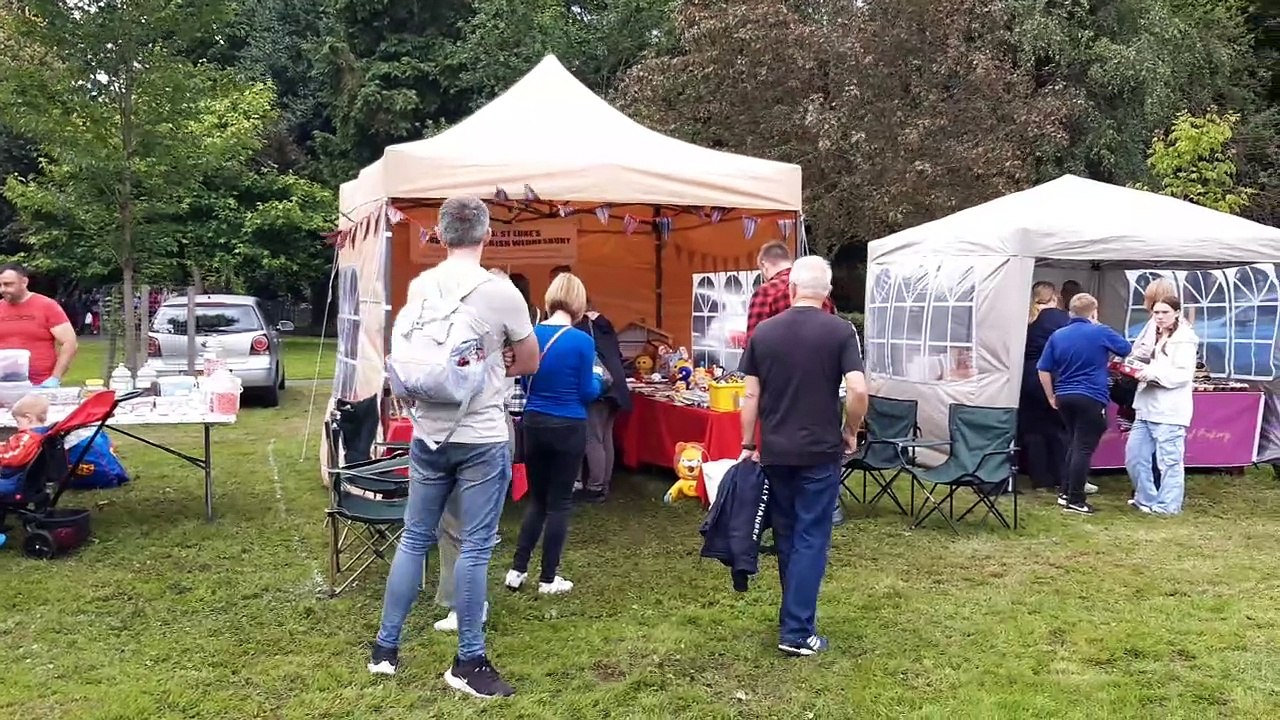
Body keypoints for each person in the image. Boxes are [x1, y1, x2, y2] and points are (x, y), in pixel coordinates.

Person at [367, 196, 539, 699]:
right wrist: (492, 364)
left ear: (439, 236)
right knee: (476, 546)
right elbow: (528, 360)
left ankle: (385, 649)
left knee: (414, 537)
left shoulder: (421, 286)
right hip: (481, 434)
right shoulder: (501, 291)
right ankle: (467, 660)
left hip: (426, 431)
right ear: (486, 235)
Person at [737, 256, 868, 656]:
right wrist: (851, 429)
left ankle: (794, 619)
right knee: (812, 537)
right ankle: (796, 631)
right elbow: (859, 391)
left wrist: (747, 445)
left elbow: (750, 395)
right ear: (827, 293)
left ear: (791, 289)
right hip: (819, 450)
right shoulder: (841, 331)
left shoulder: (764, 333)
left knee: (789, 536)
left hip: (775, 449)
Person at [504, 272, 605, 595]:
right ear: (578, 302)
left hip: (534, 422)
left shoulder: (530, 335)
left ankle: (517, 570)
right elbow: (586, 392)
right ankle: (548, 577)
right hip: (568, 424)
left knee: (537, 500)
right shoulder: (582, 342)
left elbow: (522, 379)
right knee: (559, 503)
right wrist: (601, 380)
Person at [745, 241, 843, 527]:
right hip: (820, 391)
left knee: (780, 463)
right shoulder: (820, 291)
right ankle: (828, 504)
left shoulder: (764, 293)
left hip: (778, 395)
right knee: (819, 455)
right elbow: (833, 338)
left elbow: (754, 353)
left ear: (764, 265)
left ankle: (774, 512)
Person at [1037, 293, 1132, 516]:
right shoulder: (1099, 331)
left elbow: (1043, 368)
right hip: (1091, 395)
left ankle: (1065, 492)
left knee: (1074, 443)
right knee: (1083, 447)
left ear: (1069, 311)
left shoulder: (1057, 335)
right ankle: (1077, 499)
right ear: (1094, 311)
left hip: (1064, 395)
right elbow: (1126, 349)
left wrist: (1051, 396)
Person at [1125, 296, 1197, 515]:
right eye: (1156, 313)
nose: (1159, 317)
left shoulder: (1185, 338)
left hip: (1169, 410)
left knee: (1169, 462)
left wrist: (1150, 374)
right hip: (1145, 407)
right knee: (1134, 457)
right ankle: (1146, 498)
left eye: (1164, 312)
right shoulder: (1156, 335)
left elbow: (1182, 374)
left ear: (1176, 312)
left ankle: (1168, 505)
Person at [573, 299, 629, 503]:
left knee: (593, 437)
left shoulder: (581, 327)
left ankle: (595, 487)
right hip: (616, 386)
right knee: (605, 437)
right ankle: (603, 484)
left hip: (600, 385)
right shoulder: (605, 323)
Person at [1020, 282, 1070, 491]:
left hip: (1027, 378)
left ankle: (1039, 478)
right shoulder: (1062, 319)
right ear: (1055, 297)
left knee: (1033, 431)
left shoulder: (1026, 319)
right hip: (1053, 375)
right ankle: (1061, 475)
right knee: (1060, 429)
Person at [0, 265, 78, 387]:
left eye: (8, 284)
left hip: (40, 384)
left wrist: (55, 377)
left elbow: (70, 342)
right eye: (0, 285)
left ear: (24, 282)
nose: (3, 289)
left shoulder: (46, 306)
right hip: (4, 384)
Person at [0, 394, 51, 549]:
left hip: (15, 483)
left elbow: (15, 458)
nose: (17, 425)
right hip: (25, 481)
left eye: (18, 421)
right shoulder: (42, 434)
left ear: (28, 418)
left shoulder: (29, 438)